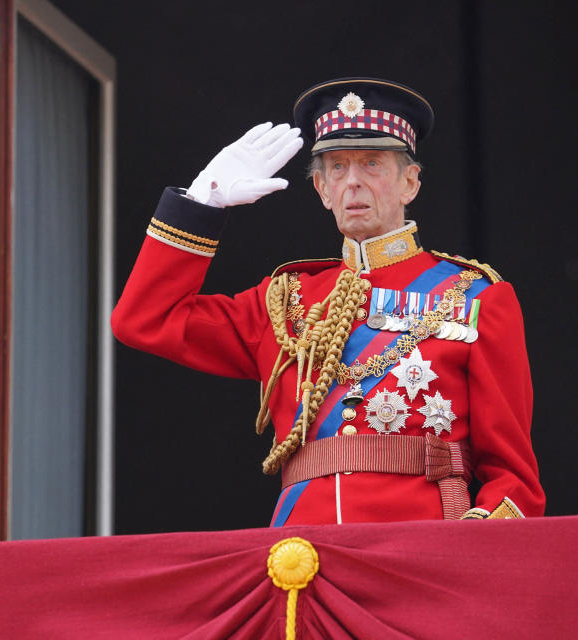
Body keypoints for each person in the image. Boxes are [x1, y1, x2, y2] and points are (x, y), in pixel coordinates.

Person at [111, 77, 545, 526]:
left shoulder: (475, 297)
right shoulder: (283, 302)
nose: (353, 182)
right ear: (321, 189)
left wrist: (469, 550)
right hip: (302, 559)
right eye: (337, 168)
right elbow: (143, 319)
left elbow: (514, 479)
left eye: (372, 164)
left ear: (410, 183)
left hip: (422, 558)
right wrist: (203, 203)